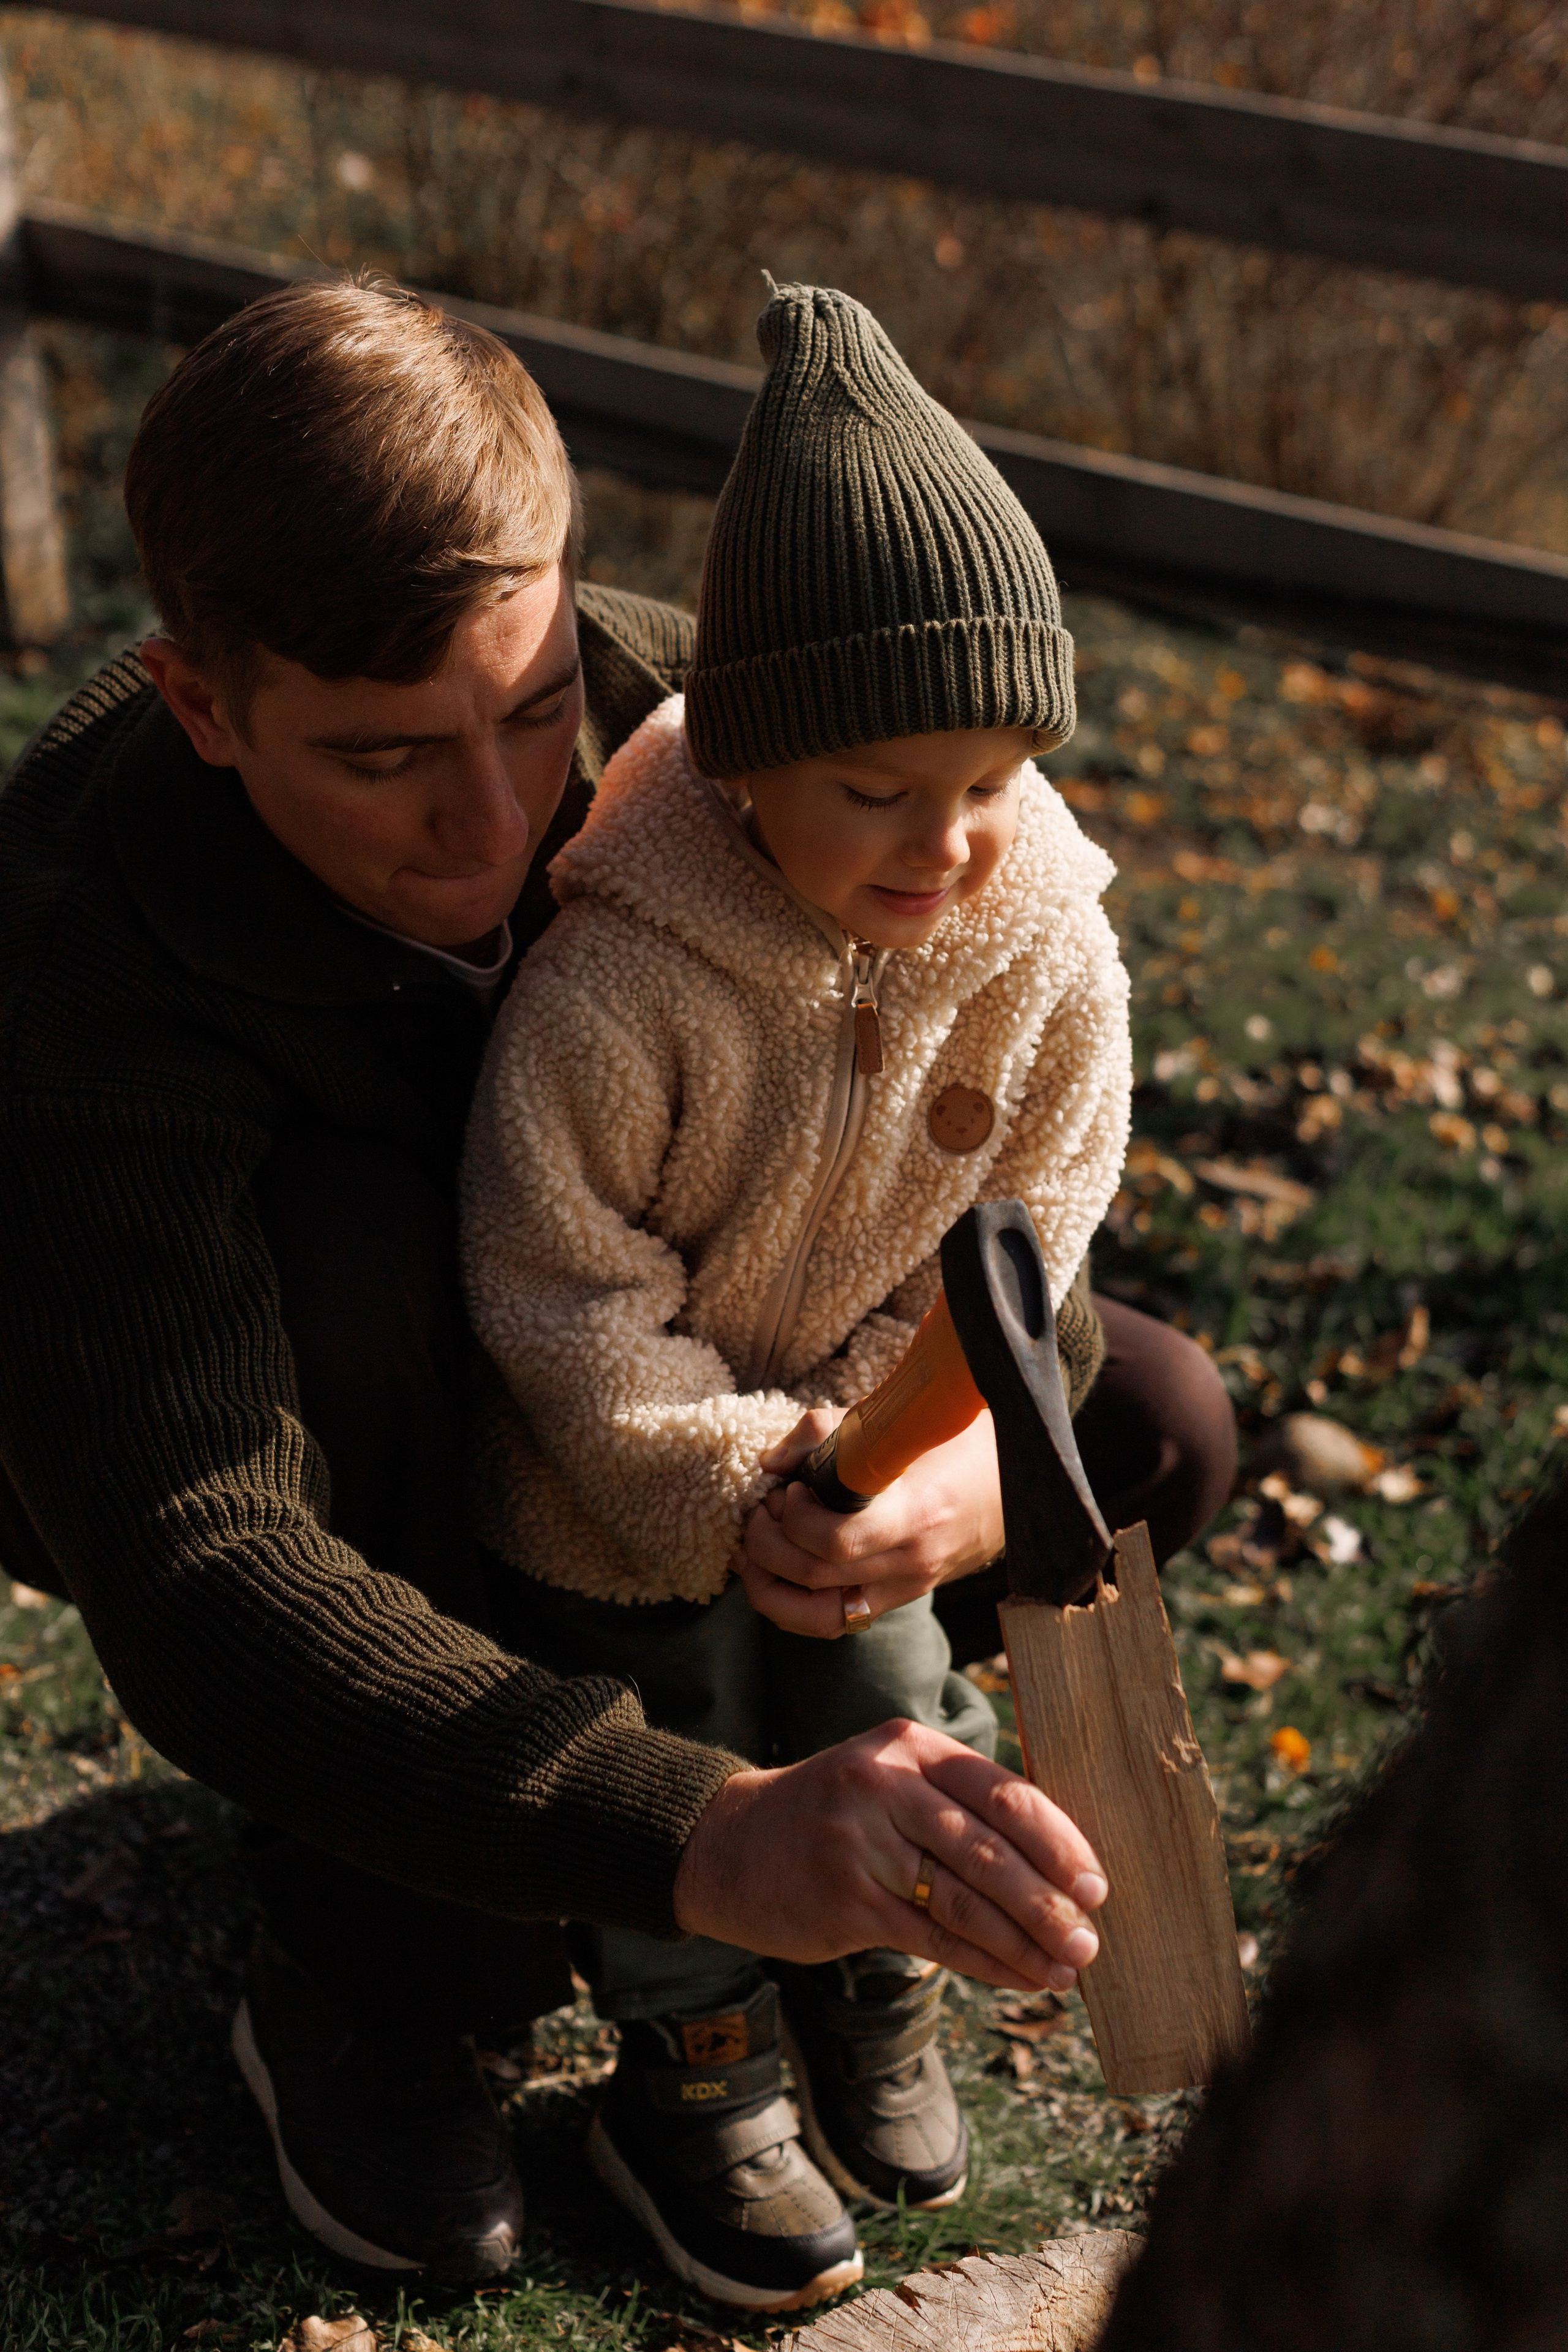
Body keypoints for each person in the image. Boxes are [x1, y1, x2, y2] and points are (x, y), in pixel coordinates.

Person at [0, 277, 1235, 2299]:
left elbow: (993, 1074)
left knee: (1155, 1421)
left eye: (529, 706)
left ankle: (683, 1813)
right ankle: (379, 1966)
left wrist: (955, 1467)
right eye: (387, 757)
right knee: (379, 1270)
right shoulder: (73, 957)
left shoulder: (707, 720)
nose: (493, 822)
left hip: (694, 1397)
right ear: (204, 705)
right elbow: (193, 1552)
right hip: (258, 1407)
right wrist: (697, 1828)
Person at [459, 281, 1133, 2309]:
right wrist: (724, 1471)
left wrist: (878, 1454)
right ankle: (696, 2052)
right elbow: (554, 1272)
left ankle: (871, 2000)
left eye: (995, 779)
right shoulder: (622, 972)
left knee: (888, 1706)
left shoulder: (1041, 952)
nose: (949, 842)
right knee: (682, 1742)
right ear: (747, 763)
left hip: (872, 1481)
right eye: (877, 789)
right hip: (622, 1493)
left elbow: (1039, 1208)